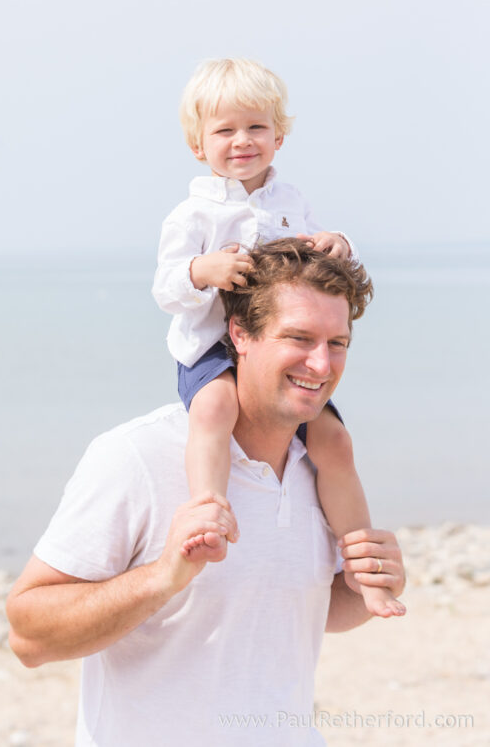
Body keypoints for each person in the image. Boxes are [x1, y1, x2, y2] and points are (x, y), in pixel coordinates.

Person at [7, 239, 406, 747]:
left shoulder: (324, 467)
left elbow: (297, 610)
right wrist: (162, 578)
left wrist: (366, 584)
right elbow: (28, 636)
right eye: (299, 338)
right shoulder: (136, 456)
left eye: (337, 343)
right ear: (240, 333)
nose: (322, 364)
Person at [152, 57, 404, 617]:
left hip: (277, 348)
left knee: (335, 442)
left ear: (279, 137)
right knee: (215, 408)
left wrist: (339, 242)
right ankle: (210, 510)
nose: (242, 140)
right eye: (224, 130)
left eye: (256, 127)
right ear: (198, 145)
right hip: (212, 346)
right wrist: (203, 271)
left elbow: (318, 260)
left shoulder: (289, 202)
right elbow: (166, 288)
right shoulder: (192, 215)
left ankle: (364, 566)